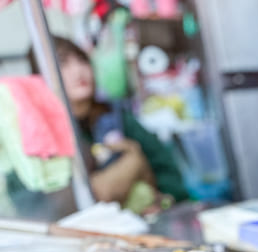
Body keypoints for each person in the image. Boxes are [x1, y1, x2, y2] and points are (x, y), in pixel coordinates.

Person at [53, 37, 187, 209]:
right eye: (63, 64)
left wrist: (167, 199)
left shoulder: (116, 117)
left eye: (82, 60)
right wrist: (133, 160)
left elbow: (167, 172)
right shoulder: (50, 136)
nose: (78, 71)